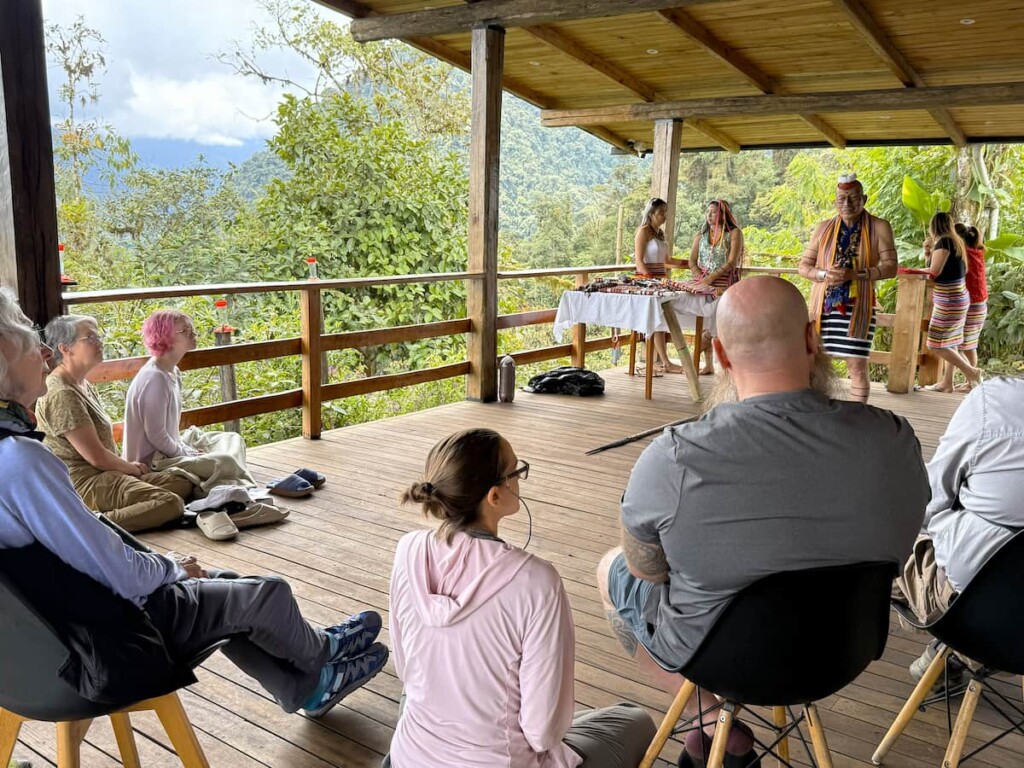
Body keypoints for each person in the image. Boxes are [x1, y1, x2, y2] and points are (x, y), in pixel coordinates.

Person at [0, 286, 387, 719]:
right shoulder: (18, 461)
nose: (47, 355)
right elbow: (114, 570)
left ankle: (308, 683)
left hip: (39, 657)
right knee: (266, 595)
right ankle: (321, 659)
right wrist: (171, 567)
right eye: (35, 345)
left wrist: (168, 565)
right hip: (106, 643)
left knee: (229, 585)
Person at [596, 277, 928, 764]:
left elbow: (645, 569)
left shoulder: (674, 456)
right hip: (841, 653)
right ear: (812, 339)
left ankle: (709, 718)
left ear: (722, 355)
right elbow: (903, 540)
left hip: (717, 655)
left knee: (609, 571)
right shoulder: (893, 439)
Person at [387, 428, 656, 768]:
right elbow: (542, 733)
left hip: (410, 757)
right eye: (516, 471)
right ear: (494, 496)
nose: (520, 478)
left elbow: (406, 669)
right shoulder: (535, 581)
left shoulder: (408, 550)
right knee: (635, 721)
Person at [895, 376, 1024, 678]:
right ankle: (957, 657)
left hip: (976, 613)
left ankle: (956, 651)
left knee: (885, 535)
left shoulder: (996, 402)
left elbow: (930, 498)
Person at [34, 314, 193, 532]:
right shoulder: (61, 392)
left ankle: (124, 515)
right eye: (90, 338)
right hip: (85, 483)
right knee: (170, 503)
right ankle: (87, 526)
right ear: (65, 348)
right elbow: (96, 457)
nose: (99, 341)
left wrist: (128, 470)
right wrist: (130, 468)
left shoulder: (83, 383)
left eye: (98, 335)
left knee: (182, 482)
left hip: (107, 474)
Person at [123, 310, 254, 490]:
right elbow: (157, 436)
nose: (193, 332)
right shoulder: (155, 378)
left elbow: (168, 434)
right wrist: (188, 454)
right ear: (164, 337)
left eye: (191, 328)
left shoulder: (172, 371)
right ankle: (221, 484)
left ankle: (220, 480)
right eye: (185, 330)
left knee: (233, 439)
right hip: (154, 462)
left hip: (171, 448)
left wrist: (187, 449)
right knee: (226, 461)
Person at [798, 173, 898, 403]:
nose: (847, 204)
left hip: (859, 307)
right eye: (841, 199)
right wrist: (824, 274)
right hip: (823, 307)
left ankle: (858, 415)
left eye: (852, 198)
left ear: (864, 199)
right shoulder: (823, 228)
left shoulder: (879, 227)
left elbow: (891, 267)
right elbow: (803, 267)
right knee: (815, 361)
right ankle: (815, 410)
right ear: (835, 201)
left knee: (857, 365)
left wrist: (855, 274)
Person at [920, 212, 982, 392]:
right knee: (951, 342)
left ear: (934, 227)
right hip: (957, 298)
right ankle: (947, 383)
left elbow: (934, 271)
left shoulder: (944, 242)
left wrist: (916, 270)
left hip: (949, 299)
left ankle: (971, 372)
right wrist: (927, 252)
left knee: (936, 344)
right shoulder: (955, 241)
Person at [688, 199, 744, 375]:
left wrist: (712, 277)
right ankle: (708, 364)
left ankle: (692, 360)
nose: (709, 215)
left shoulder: (734, 234)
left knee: (719, 324)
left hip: (724, 283)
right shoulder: (701, 235)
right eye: (708, 212)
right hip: (703, 284)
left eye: (713, 212)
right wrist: (700, 277)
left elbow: (732, 262)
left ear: (723, 214)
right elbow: (692, 260)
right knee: (705, 323)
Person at [634, 197, 686, 374]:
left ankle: (665, 362)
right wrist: (650, 281)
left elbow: (668, 260)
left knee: (661, 321)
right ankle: (664, 362)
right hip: (647, 282)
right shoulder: (643, 232)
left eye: (666, 212)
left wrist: (690, 263)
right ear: (651, 214)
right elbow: (639, 261)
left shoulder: (660, 234)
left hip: (660, 282)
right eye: (661, 212)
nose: (664, 216)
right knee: (656, 321)